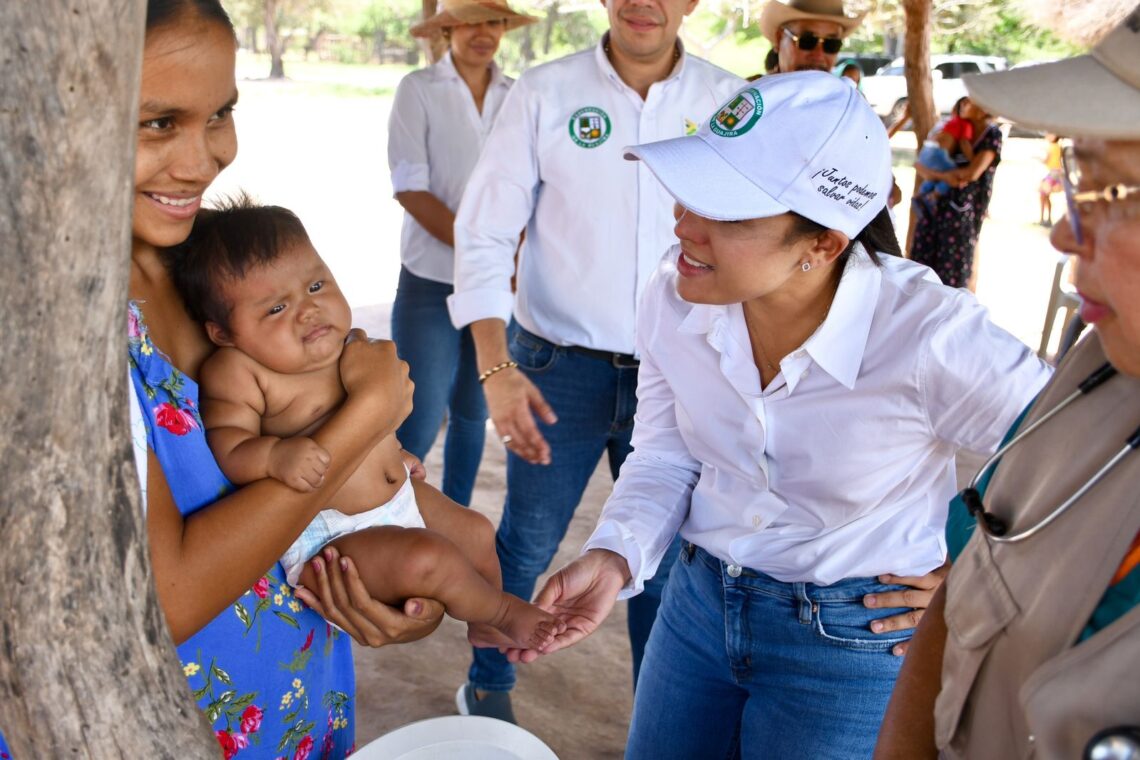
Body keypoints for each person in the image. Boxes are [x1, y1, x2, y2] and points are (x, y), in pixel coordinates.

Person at [519, 72, 1051, 759]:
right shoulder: (673, 297)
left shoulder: (928, 337)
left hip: (855, 643)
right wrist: (616, 553)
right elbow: (665, 451)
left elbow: (1083, 454)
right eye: (688, 190)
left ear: (824, 244)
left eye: (728, 213)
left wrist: (975, 583)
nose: (684, 224)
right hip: (698, 610)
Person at [114, 2, 444, 757]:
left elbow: (305, 437)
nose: (204, 160)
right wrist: (367, 414)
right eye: (158, 122)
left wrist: (399, 571)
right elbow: (166, 600)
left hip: (293, 689)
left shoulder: (207, 269)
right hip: (169, 726)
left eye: (220, 113)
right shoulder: (60, 330)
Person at [447, 0, 745, 723]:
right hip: (558, 369)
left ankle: (657, 711)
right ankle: (488, 686)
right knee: (530, 539)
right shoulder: (545, 92)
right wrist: (497, 368)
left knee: (667, 559)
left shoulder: (731, 103)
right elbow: (485, 231)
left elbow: (759, 233)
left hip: (683, 372)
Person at [875, 12, 1140, 759]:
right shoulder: (1094, 371)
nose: (1063, 231)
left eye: (1109, 190)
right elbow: (964, 593)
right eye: (1077, 178)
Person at [168, 198, 564, 652]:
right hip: (331, 532)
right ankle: (502, 612)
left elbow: (372, 421)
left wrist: (391, 451)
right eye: (275, 309)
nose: (308, 310)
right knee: (428, 559)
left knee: (474, 530)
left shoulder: (347, 346)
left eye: (316, 285)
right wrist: (275, 455)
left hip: (398, 496)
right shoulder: (239, 370)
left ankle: (484, 622)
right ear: (223, 332)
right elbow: (228, 446)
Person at [388, 0, 537, 507]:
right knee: (421, 414)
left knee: (475, 413)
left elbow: (532, 191)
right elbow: (411, 187)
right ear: (448, 27)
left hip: (498, 287)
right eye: (472, 19)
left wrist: (512, 258)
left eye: (494, 20)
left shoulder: (520, 95)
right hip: (431, 280)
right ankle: (395, 521)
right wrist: (484, 249)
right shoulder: (419, 90)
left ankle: (453, 519)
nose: (484, 32)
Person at [909, 97, 1002, 289]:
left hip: (963, 211)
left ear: (984, 109)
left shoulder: (991, 134)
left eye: (971, 102)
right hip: (936, 206)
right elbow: (923, 164)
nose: (964, 105)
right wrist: (943, 176)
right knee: (923, 266)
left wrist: (937, 175)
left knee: (953, 272)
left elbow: (972, 173)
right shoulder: (956, 128)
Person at [759, 0, 864, 75]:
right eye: (807, 41)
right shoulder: (752, 99)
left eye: (831, 44)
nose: (818, 55)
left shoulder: (848, 102)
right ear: (779, 38)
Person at [913, 98, 976, 212]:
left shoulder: (949, 121)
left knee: (936, 174)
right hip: (938, 153)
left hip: (926, 151)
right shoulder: (965, 124)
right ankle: (934, 196)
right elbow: (964, 142)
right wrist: (973, 160)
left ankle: (920, 194)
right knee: (952, 173)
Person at [1038, 132, 1063, 226]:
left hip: (1053, 173)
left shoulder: (1053, 147)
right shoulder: (1058, 146)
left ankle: (1043, 218)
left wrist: (1037, 158)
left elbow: (1046, 160)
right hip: (1054, 173)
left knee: (1043, 194)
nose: (1047, 135)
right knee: (1045, 196)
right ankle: (1046, 218)